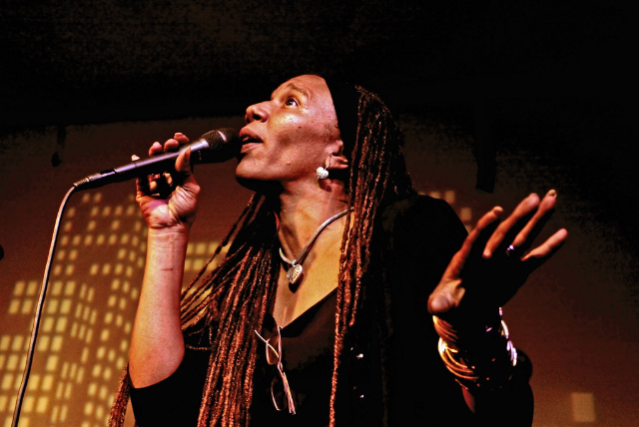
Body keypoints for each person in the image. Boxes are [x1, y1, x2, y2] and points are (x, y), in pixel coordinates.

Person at [109, 75, 567, 426]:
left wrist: (471, 334)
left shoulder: (407, 229)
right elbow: (161, 410)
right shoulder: (246, 281)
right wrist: (166, 233)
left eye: (290, 101)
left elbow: (502, 417)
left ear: (340, 152)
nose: (254, 109)